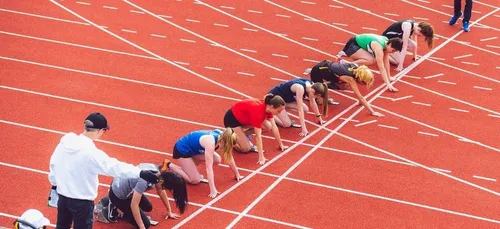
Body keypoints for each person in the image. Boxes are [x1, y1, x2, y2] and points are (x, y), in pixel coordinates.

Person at [48, 112, 160, 229]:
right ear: (99, 130)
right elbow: (114, 167)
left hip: (63, 196)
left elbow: (53, 164)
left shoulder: (65, 142)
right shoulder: (91, 153)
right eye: (104, 131)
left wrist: (55, 185)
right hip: (82, 202)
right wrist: (139, 172)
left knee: (61, 226)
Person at [108, 160, 188, 229]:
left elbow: (161, 191)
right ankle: (115, 207)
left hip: (125, 187)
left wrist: (169, 211)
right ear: (161, 182)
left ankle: (121, 206)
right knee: (146, 224)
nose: (165, 190)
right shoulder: (143, 181)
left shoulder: (158, 174)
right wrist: (142, 227)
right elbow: (134, 205)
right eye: (166, 188)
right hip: (118, 195)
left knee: (148, 207)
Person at [172, 128, 243, 198]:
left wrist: (237, 174)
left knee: (217, 160)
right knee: (195, 180)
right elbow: (209, 168)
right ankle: (169, 165)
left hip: (193, 151)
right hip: (182, 151)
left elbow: (229, 156)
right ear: (224, 142)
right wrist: (213, 189)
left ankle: (189, 166)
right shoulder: (210, 142)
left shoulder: (223, 136)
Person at [223, 94, 288, 165]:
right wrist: (261, 157)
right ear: (272, 107)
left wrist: (281, 144)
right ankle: (228, 137)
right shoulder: (257, 112)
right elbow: (258, 136)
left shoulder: (268, 108)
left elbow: (274, 126)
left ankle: (240, 135)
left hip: (243, 119)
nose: (279, 113)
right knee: (246, 149)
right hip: (232, 121)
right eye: (279, 111)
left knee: (268, 126)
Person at [306, 59, 384, 117]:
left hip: (326, 67)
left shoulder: (356, 67)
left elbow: (341, 64)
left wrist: (360, 102)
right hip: (317, 71)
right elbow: (359, 96)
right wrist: (372, 112)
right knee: (321, 101)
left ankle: (328, 84)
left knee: (345, 86)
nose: (363, 84)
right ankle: (309, 90)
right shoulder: (350, 78)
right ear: (359, 78)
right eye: (364, 82)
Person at [338, 33, 403, 92]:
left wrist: (389, 77)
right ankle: (344, 65)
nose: (393, 52)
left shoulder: (386, 42)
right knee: (371, 60)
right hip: (352, 46)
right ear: (390, 44)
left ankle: (348, 65)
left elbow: (386, 61)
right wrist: (388, 84)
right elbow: (381, 67)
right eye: (393, 50)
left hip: (358, 45)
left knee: (371, 59)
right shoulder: (379, 47)